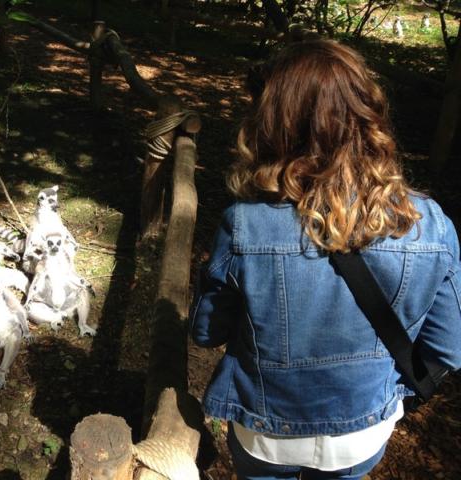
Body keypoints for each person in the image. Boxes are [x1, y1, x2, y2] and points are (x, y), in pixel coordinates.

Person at [190, 39, 461, 480]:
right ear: (368, 114)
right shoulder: (430, 225)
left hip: (264, 431)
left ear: (273, 124)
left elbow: (206, 331)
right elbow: (448, 348)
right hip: (362, 435)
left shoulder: (244, 225)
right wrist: (384, 392)